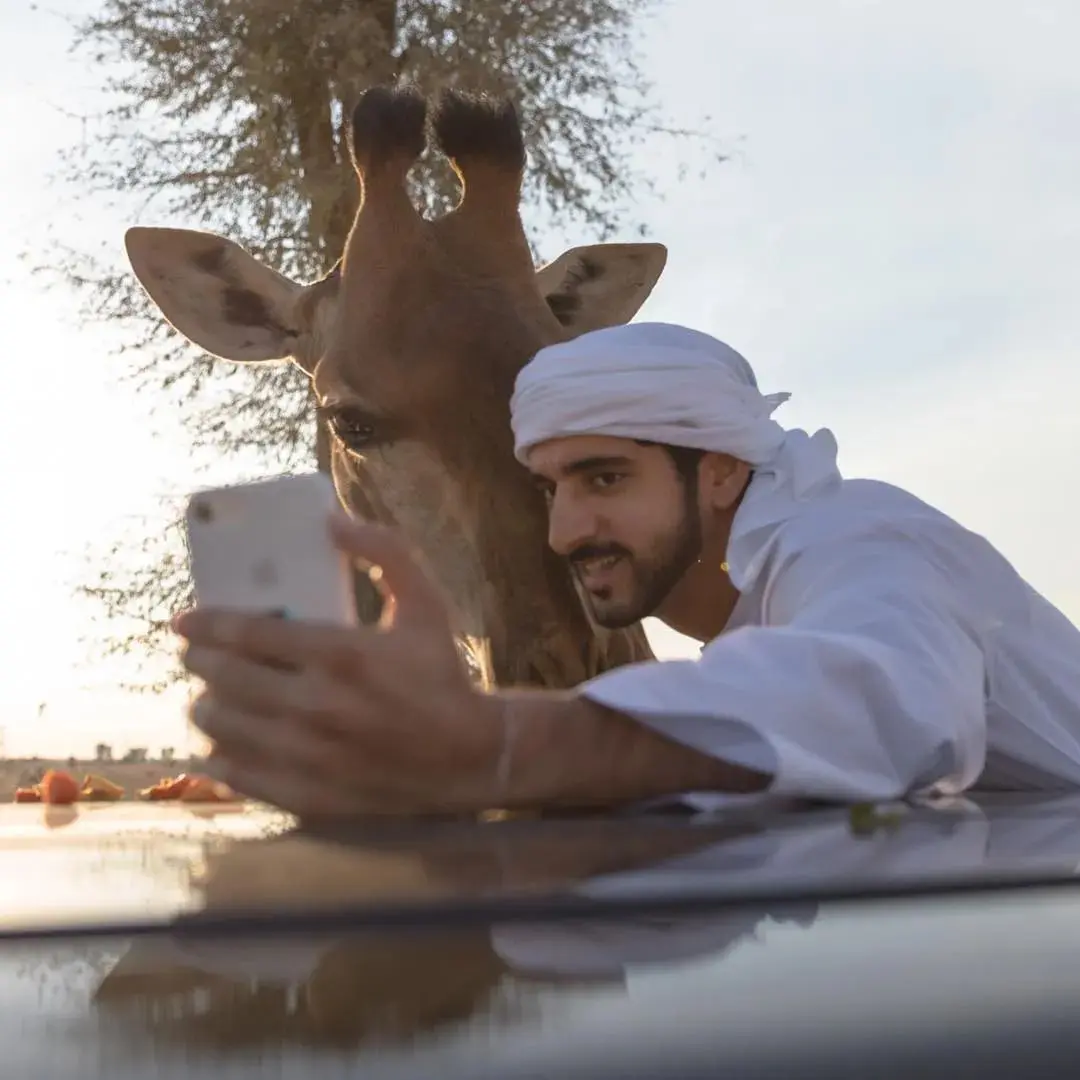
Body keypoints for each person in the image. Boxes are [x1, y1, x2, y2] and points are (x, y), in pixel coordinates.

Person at [174, 322, 1080, 818]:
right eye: (552, 489)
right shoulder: (763, 608)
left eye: (605, 478)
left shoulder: (862, 537)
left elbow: (885, 700)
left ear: (720, 468)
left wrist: (491, 747)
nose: (568, 531)